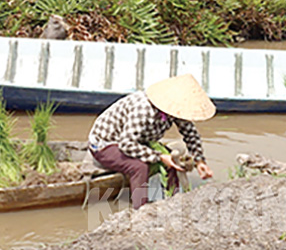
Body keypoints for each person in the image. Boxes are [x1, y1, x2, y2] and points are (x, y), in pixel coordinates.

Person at [88, 73, 215, 209]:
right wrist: (159, 156)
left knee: (172, 159)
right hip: (106, 144)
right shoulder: (144, 110)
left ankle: (174, 201)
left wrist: (199, 161)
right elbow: (126, 144)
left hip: (136, 139)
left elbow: (191, 134)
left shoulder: (175, 109)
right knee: (139, 167)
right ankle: (140, 210)